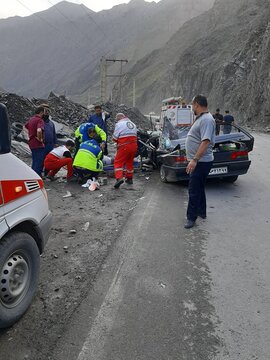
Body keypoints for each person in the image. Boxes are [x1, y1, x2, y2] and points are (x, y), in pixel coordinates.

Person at [184, 95, 215, 229]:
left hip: (201, 162)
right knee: (200, 187)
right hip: (200, 161)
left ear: (197, 104)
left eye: (192, 105)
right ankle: (202, 211)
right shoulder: (202, 118)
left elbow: (206, 141)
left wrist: (194, 160)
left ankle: (191, 218)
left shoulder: (207, 120)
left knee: (194, 190)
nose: (192, 108)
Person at [113, 113, 138, 189]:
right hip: (134, 145)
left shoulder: (119, 124)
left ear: (119, 118)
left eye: (117, 119)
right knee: (129, 161)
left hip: (124, 146)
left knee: (118, 162)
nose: (116, 121)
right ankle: (129, 178)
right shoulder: (133, 124)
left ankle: (119, 178)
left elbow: (115, 138)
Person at [25, 105, 46, 176]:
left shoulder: (31, 119)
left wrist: (31, 134)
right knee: (39, 162)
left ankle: (31, 176)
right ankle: (35, 177)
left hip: (31, 143)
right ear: (41, 112)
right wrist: (40, 139)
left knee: (34, 161)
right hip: (37, 144)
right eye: (44, 112)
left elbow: (26, 126)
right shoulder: (40, 120)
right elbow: (39, 130)